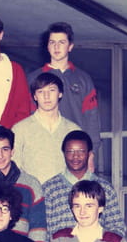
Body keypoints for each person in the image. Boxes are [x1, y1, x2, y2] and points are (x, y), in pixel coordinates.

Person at [28, 22, 101, 156]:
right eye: (52, 42)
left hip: (75, 151)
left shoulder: (83, 79)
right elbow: (28, 115)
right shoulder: (33, 78)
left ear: (70, 46)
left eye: (61, 42)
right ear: (47, 46)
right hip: (43, 148)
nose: (56, 47)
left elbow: (92, 119)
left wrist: (92, 152)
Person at [42, 130, 126, 237]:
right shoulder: (49, 189)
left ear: (89, 154)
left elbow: (117, 228)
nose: (75, 156)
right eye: (70, 151)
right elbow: (43, 232)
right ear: (64, 154)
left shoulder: (105, 188)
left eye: (81, 151)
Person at [12, 72, 81, 184]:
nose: (46, 96)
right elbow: (14, 169)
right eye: (40, 91)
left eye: (51, 90)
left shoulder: (73, 130)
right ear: (35, 96)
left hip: (65, 192)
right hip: (32, 192)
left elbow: (80, 170)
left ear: (60, 93)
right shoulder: (20, 129)